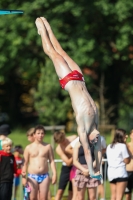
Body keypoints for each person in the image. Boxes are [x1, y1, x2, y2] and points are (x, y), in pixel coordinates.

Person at [35, 17, 102, 179]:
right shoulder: (96, 123)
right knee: (62, 51)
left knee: (53, 54)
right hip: (79, 78)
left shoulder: (84, 129)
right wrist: (98, 167)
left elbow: (89, 151)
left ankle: (42, 32)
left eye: (96, 140)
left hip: (68, 80)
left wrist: (92, 173)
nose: (99, 139)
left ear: (89, 139)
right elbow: (99, 152)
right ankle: (49, 29)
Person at [22, 125, 57, 200]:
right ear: (34, 135)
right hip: (32, 176)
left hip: (44, 176)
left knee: (43, 198)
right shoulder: (28, 147)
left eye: (42, 133)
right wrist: (23, 177)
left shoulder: (48, 146)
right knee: (33, 197)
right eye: (38, 133)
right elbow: (24, 163)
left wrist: (54, 174)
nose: (40, 135)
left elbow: (52, 161)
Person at [106, 128, 130, 200]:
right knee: (119, 197)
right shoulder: (122, 146)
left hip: (111, 173)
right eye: (125, 135)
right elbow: (127, 161)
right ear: (122, 136)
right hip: (121, 173)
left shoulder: (109, 146)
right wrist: (125, 144)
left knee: (113, 196)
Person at [53, 131, 77, 200]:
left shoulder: (74, 138)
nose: (64, 142)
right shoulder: (58, 149)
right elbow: (68, 162)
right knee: (60, 190)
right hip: (66, 168)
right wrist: (75, 153)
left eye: (64, 139)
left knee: (72, 191)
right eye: (61, 142)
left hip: (76, 166)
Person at [97, 136, 106, 200]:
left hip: (98, 164)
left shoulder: (101, 138)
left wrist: (100, 156)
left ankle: (102, 198)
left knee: (100, 183)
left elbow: (104, 148)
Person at [125, 129, 133, 200]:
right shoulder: (127, 145)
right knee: (127, 195)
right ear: (130, 135)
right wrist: (125, 139)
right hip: (128, 171)